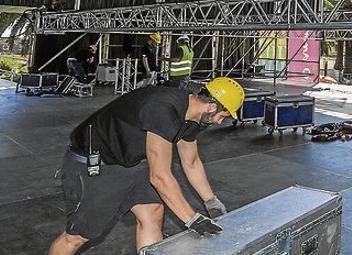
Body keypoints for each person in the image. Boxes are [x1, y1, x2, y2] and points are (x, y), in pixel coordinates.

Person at [46, 77, 245, 255]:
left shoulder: (193, 119)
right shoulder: (162, 108)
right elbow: (159, 176)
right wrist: (192, 219)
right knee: (79, 236)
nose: (220, 122)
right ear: (212, 107)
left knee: (152, 212)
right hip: (95, 163)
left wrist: (211, 201)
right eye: (223, 116)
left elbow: (191, 162)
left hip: (127, 162)